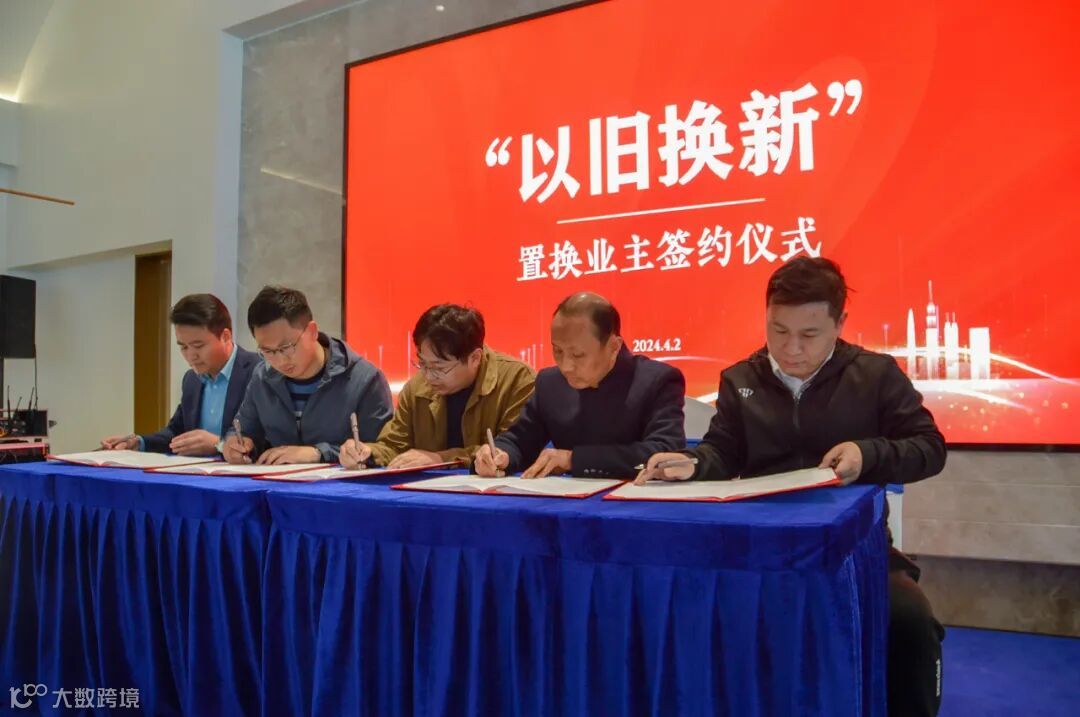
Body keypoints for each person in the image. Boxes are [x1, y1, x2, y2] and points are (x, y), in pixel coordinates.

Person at [637, 257, 947, 717]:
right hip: (761, 547)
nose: (791, 348)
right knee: (692, 608)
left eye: (809, 334)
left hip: (852, 551)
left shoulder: (876, 375)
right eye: (778, 330)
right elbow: (723, 453)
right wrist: (693, 464)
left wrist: (868, 454)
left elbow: (929, 448)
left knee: (909, 620)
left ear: (840, 323)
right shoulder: (741, 379)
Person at [474, 292, 686, 479]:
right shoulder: (550, 382)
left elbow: (666, 453)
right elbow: (520, 440)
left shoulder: (657, 380)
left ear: (614, 346)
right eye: (557, 351)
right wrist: (499, 454)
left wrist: (573, 460)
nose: (566, 366)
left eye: (578, 355)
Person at [340, 304, 535, 470]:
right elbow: (394, 446)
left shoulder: (517, 380)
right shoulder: (416, 388)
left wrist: (441, 459)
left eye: (439, 367)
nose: (428, 376)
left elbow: (512, 449)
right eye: (422, 364)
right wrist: (367, 452)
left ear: (475, 358)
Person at [222, 285, 392, 465]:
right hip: (275, 480)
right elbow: (243, 430)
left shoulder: (365, 380)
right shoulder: (262, 377)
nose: (280, 361)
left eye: (286, 347)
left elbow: (382, 451)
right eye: (267, 351)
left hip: (339, 482)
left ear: (312, 331)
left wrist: (318, 453)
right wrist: (236, 445)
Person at [100, 293, 258, 456]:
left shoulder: (259, 372)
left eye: (198, 346)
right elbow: (176, 433)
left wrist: (219, 445)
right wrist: (139, 442)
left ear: (225, 337)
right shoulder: (191, 379)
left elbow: (268, 442)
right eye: (184, 347)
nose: (191, 356)